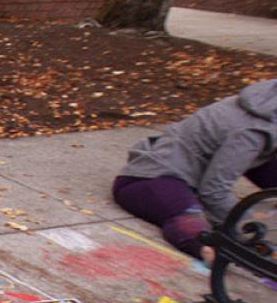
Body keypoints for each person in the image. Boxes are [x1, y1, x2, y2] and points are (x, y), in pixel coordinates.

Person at [113, 80, 277, 261]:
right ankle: (207, 252)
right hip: (150, 179)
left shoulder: (267, 104)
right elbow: (214, 191)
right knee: (192, 220)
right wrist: (249, 222)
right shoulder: (254, 132)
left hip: (187, 172)